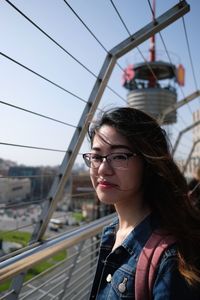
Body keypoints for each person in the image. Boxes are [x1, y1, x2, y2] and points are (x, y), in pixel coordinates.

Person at [82, 107, 200, 299]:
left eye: (119, 156)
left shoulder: (170, 260)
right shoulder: (112, 233)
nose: (103, 169)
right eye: (96, 157)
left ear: (148, 162)